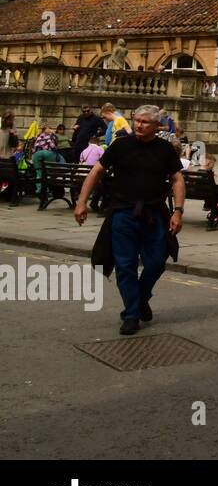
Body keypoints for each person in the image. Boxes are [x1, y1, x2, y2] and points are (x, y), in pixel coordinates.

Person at [75, 105, 185, 336]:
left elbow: (176, 179)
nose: (139, 125)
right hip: (123, 214)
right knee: (125, 266)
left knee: (156, 263)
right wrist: (81, 202)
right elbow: (96, 172)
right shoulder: (121, 146)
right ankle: (131, 314)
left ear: (156, 126)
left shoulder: (164, 149)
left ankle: (140, 298)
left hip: (154, 214)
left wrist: (178, 211)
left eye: (145, 122)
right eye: (137, 120)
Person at [31, 125, 62, 197]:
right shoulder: (51, 135)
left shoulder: (39, 135)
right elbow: (53, 146)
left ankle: (39, 190)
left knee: (39, 172)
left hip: (36, 154)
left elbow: (34, 148)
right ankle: (46, 189)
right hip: (47, 153)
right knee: (48, 171)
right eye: (50, 128)